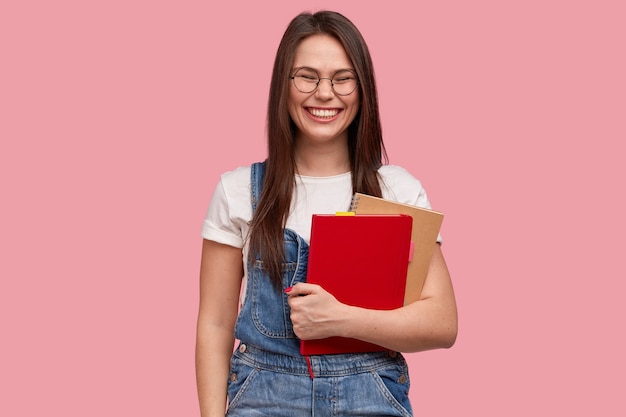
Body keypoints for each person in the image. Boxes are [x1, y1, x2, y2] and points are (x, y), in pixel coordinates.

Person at [195, 10, 458, 417]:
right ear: (283, 86)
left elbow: (441, 322)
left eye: (342, 78)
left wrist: (341, 319)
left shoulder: (396, 192)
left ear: (363, 88)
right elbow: (214, 325)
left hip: (371, 395)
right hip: (264, 397)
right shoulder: (238, 190)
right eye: (307, 76)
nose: (324, 93)